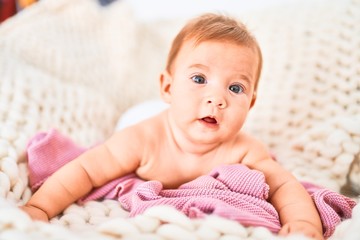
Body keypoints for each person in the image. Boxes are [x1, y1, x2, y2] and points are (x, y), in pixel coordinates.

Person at [21, 13, 323, 239]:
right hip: (140, 115)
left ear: (251, 104)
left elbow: (285, 185)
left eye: (235, 88)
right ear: (167, 87)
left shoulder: (244, 149)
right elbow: (85, 170)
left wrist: (304, 224)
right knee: (121, 131)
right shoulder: (142, 139)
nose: (216, 99)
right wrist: (40, 208)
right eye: (199, 79)